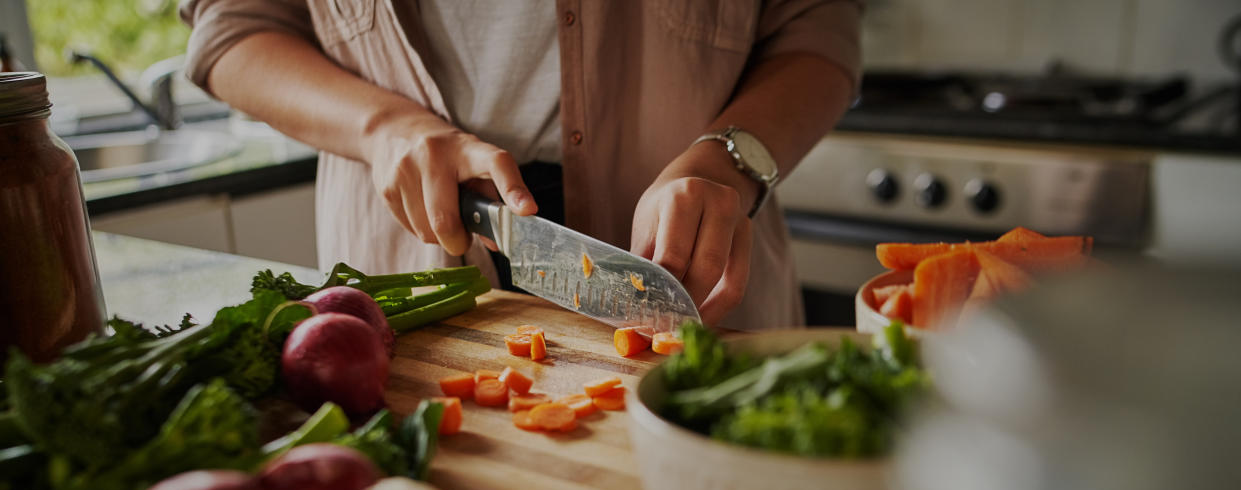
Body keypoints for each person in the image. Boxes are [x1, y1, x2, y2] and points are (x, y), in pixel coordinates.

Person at [178, 1, 860, 329]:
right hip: (415, 258)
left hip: (695, 270)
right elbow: (232, 30)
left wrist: (729, 159)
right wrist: (384, 128)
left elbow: (818, 33)